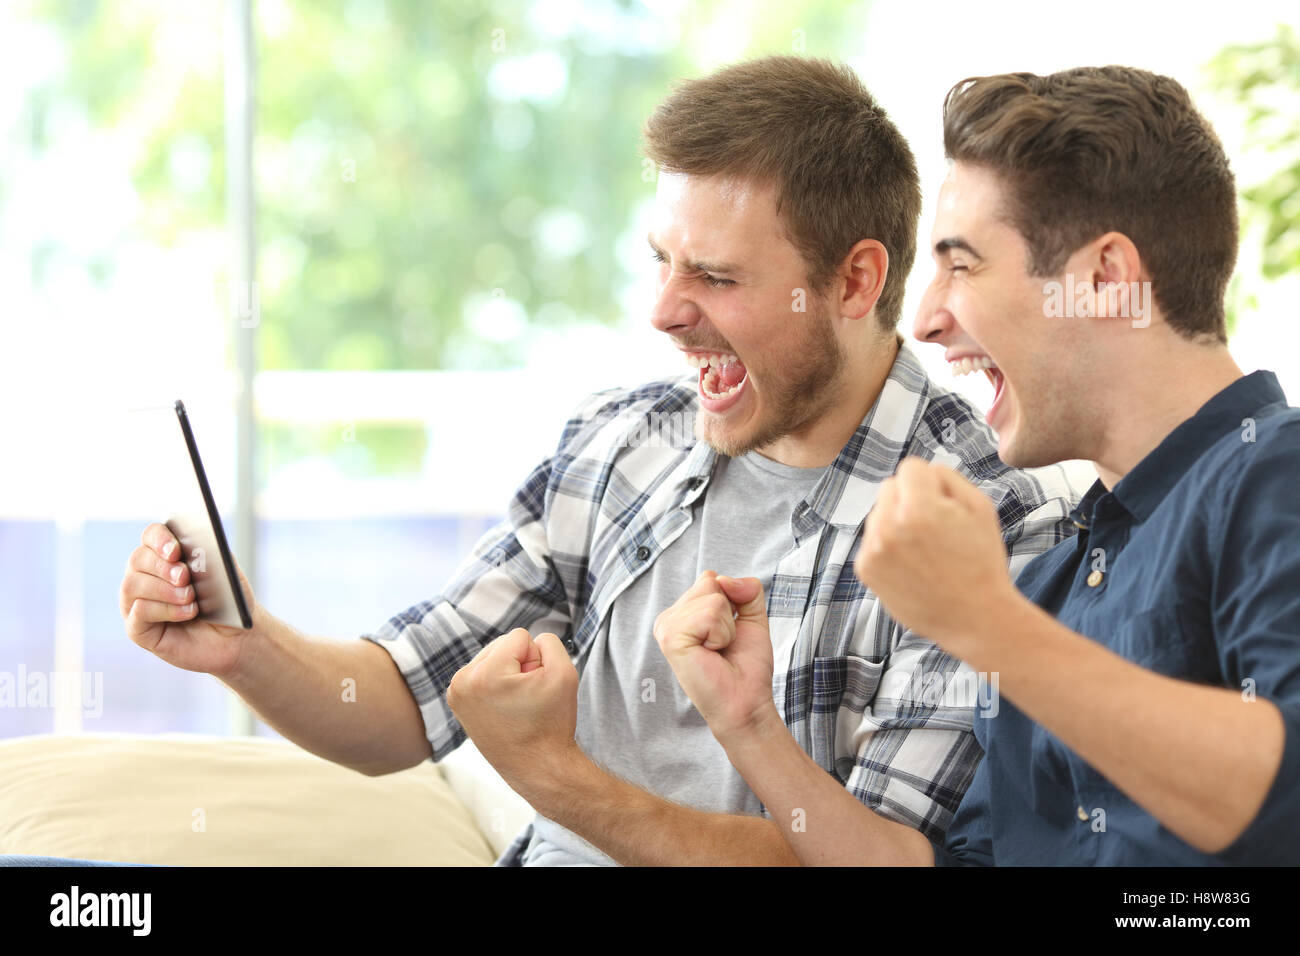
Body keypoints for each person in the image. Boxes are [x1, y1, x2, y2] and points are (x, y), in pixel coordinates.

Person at [117, 56, 1076, 867]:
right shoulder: (625, 444)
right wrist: (245, 647)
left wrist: (552, 776)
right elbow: (403, 697)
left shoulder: (985, 518)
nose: (663, 311)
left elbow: (880, 857)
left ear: (854, 280)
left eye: (714, 275)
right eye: (661, 260)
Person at [657, 65, 1300, 865]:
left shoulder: (1275, 475)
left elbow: (1285, 799)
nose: (923, 318)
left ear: (1104, 280)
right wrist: (749, 727)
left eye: (962, 265)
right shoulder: (1054, 578)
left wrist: (990, 625)